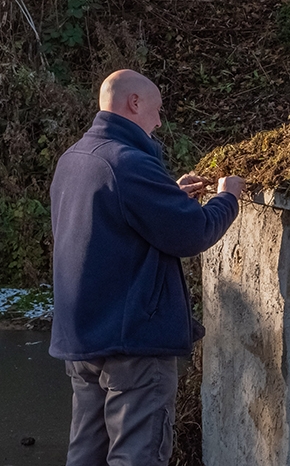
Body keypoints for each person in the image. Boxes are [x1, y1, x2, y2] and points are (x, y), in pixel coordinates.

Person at [49, 69, 246, 465]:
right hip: (133, 343)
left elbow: (112, 222)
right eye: (156, 111)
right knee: (137, 455)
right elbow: (192, 233)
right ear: (134, 103)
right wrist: (229, 198)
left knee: (86, 452)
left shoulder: (74, 159)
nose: (158, 121)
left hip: (84, 339)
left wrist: (168, 194)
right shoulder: (129, 163)